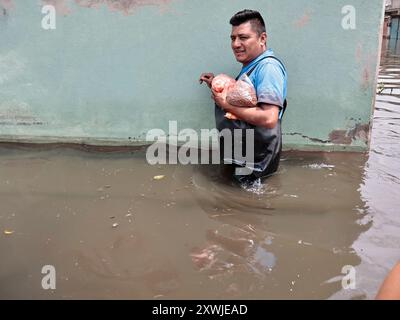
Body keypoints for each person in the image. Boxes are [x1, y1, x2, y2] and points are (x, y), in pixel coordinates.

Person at [199, 9, 287, 185]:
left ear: (262, 39)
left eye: (243, 37)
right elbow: (246, 98)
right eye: (233, 38)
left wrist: (226, 104)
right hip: (243, 153)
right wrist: (217, 84)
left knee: (247, 203)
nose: (236, 44)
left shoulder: (268, 68)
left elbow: (269, 118)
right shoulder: (253, 66)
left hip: (255, 161)